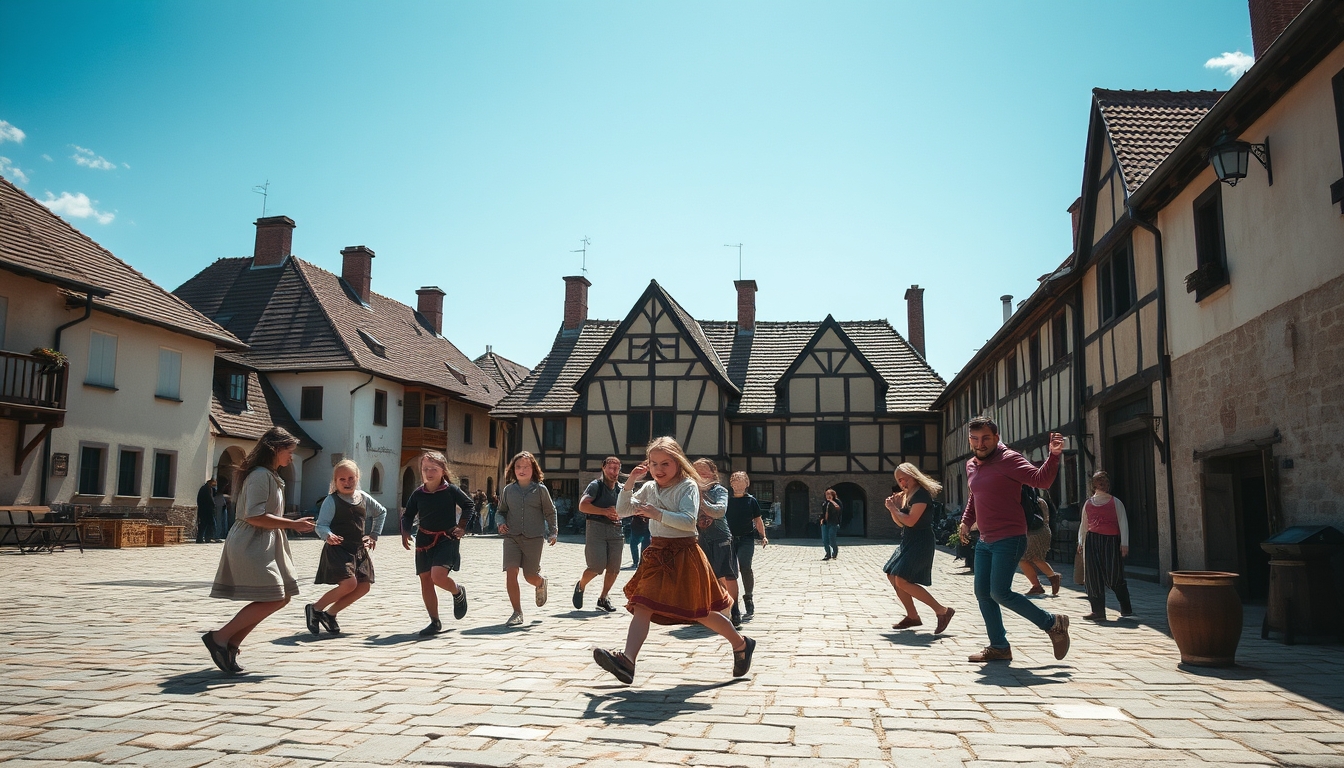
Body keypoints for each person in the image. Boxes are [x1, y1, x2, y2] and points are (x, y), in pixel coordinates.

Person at [592, 436, 755, 685]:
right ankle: (628, 661)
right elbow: (623, 511)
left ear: (678, 462)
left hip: (685, 553)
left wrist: (656, 513)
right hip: (658, 554)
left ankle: (741, 644)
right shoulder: (649, 488)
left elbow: (688, 520)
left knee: (701, 613)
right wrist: (631, 482)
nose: (659, 469)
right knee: (642, 604)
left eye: (665, 463)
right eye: (654, 463)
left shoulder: (687, 486)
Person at [958, 417, 1071, 663]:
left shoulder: (1009, 459)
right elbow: (973, 497)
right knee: (983, 593)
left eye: (986, 438)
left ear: (997, 437)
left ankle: (1053, 624)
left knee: (999, 592)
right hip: (985, 540)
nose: (980, 443)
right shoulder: (971, 465)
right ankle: (999, 646)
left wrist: (1053, 455)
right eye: (975, 439)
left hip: (1010, 537)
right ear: (970, 440)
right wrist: (966, 521)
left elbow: (1041, 481)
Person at [204, 428, 314, 674]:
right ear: (275, 449)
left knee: (281, 596)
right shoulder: (260, 475)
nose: (292, 457)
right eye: (289, 451)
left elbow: (264, 514)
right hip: (251, 542)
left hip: (265, 541)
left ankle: (230, 643)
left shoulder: (269, 475)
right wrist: (292, 524)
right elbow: (254, 516)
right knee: (274, 596)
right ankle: (219, 638)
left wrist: (290, 521)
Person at [306, 459, 387, 635]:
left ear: (357, 478)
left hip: (358, 550)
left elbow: (381, 512)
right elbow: (321, 525)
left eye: (351, 478)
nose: (347, 482)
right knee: (349, 584)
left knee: (364, 587)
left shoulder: (363, 497)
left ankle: (330, 614)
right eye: (342, 479)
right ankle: (315, 608)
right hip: (338, 549)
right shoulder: (331, 500)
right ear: (335, 481)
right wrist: (328, 535)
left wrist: (374, 535)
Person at [401, 452, 475, 637]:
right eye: (425, 469)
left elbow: (469, 505)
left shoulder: (451, 490)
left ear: (443, 471)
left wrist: (462, 527)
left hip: (446, 538)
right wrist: (405, 532)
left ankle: (457, 592)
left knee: (438, 576)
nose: (429, 472)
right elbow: (408, 514)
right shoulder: (418, 493)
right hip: (424, 540)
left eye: (434, 468)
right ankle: (434, 621)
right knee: (426, 580)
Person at [883, 463, 955, 634]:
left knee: (902, 579)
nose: (901, 483)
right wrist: (893, 509)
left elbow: (911, 520)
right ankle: (913, 616)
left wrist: (894, 508)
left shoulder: (921, 495)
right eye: (898, 480)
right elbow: (901, 522)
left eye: (903, 479)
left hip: (921, 540)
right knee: (892, 575)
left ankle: (943, 611)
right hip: (908, 539)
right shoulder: (908, 495)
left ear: (913, 476)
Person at [497, 451, 558, 627]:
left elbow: (550, 511)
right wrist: (500, 523)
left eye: (526, 467)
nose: (521, 470)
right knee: (511, 572)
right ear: (512, 470)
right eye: (518, 467)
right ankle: (517, 612)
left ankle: (540, 582)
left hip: (534, 538)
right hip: (512, 537)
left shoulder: (540, 490)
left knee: (529, 575)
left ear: (533, 469)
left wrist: (553, 531)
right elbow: (501, 512)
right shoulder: (508, 490)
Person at [573, 457, 624, 613]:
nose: (614, 472)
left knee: (614, 568)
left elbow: (629, 507)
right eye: (610, 468)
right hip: (596, 528)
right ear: (603, 468)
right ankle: (581, 585)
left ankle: (603, 598)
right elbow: (582, 506)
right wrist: (604, 511)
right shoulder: (596, 486)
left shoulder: (621, 489)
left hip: (616, 530)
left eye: (617, 468)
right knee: (596, 566)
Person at [1079, 471, 1132, 621]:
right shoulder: (1088, 503)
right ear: (1094, 485)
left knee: (1114, 575)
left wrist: (1124, 544)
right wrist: (1080, 542)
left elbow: (1123, 523)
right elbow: (1084, 525)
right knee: (1092, 576)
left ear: (1108, 485)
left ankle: (1125, 606)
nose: (1102, 485)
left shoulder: (1116, 502)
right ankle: (1098, 611)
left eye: (1104, 482)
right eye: (1099, 482)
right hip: (1092, 540)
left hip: (1111, 541)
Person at [693, 459, 739, 627]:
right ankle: (707, 611)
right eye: (697, 472)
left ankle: (734, 610)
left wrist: (700, 499)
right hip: (700, 537)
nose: (701, 475)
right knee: (704, 576)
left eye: (705, 472)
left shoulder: (720, 490)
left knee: (726, 576)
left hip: (720, 537)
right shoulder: (690, 491)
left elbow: (719, 511)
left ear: (713, 474)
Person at [726, 471, 767, 619]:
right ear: (731, 484)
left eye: (741, 481)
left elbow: (758, 520)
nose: (738, 484)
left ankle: (748, 597)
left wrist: (763, 536)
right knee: (730, 571)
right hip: (728, 539)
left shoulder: (751, 501)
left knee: (745, 567)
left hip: (746, 539)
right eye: (735, 481)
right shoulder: (726, 500)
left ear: (747, 484)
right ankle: (731, 601)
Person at [1019, 492, 1062, 596]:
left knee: (1033, 558)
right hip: (1040, 531)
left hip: (1037, 532)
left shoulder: (1033, 502)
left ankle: (1051, 578)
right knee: (1025, 559)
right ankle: (1037, 585)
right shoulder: (1039, 501)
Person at [820, 488, 842, 560]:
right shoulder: (824, 503)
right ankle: (828, 554)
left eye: (829, 494)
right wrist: (821, 519)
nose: (828, 496)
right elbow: (823, 512)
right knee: (825, 540)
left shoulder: (837, 502)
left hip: (833, 523)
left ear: (833, 495)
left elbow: (838, 509)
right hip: (825, 523)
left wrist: (832, 501)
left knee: (831, 539)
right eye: (826, 494)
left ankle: (835, 552)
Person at [196, 478, 218, 544]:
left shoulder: (209, 489)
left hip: (206, 509)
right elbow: (209, 499)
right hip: (206, 509)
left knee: (206, 524)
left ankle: (206, 538)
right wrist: (213, 505)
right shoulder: (205, 489)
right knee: (207, 524)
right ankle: (205, 538)